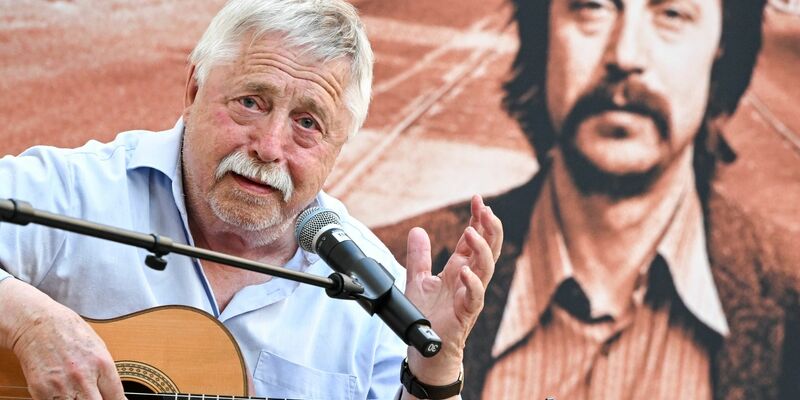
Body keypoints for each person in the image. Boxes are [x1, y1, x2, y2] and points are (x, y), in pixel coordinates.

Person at [0, 1, 503, 399]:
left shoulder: (376, 294)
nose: (269, 147)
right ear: (194, 90)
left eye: (307, 123)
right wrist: (29, 322)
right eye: (250, 103)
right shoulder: (77, 191)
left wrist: (434, 368)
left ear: (340, 145)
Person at [375, 0, 800, 399]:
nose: (626, 55)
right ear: (544, 34)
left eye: (671, 13)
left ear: (722, 47)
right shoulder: (387, 276)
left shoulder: (789, 298)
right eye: (592, 7)